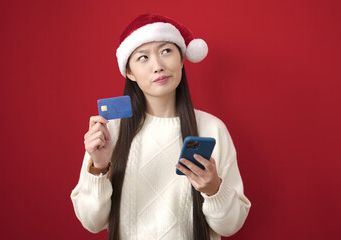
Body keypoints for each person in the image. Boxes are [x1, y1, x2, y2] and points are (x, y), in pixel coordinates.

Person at [71, 13, 251, 240]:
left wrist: (213, 189)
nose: (158, 66)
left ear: (182, 59)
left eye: (166, 51)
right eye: (143, 57)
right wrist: (99, 165)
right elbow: (92, 222)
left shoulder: (212, 128)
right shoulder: (110, 132)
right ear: (129, 72)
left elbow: (230, 226)